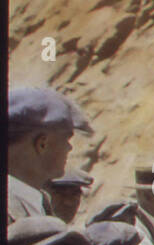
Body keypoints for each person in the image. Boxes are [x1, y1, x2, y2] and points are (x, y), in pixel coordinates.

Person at [7, 87, 93, 224]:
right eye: (66, 139)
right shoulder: (12, 205)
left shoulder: (39, 201)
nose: (69, 147)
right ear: (42, 144)